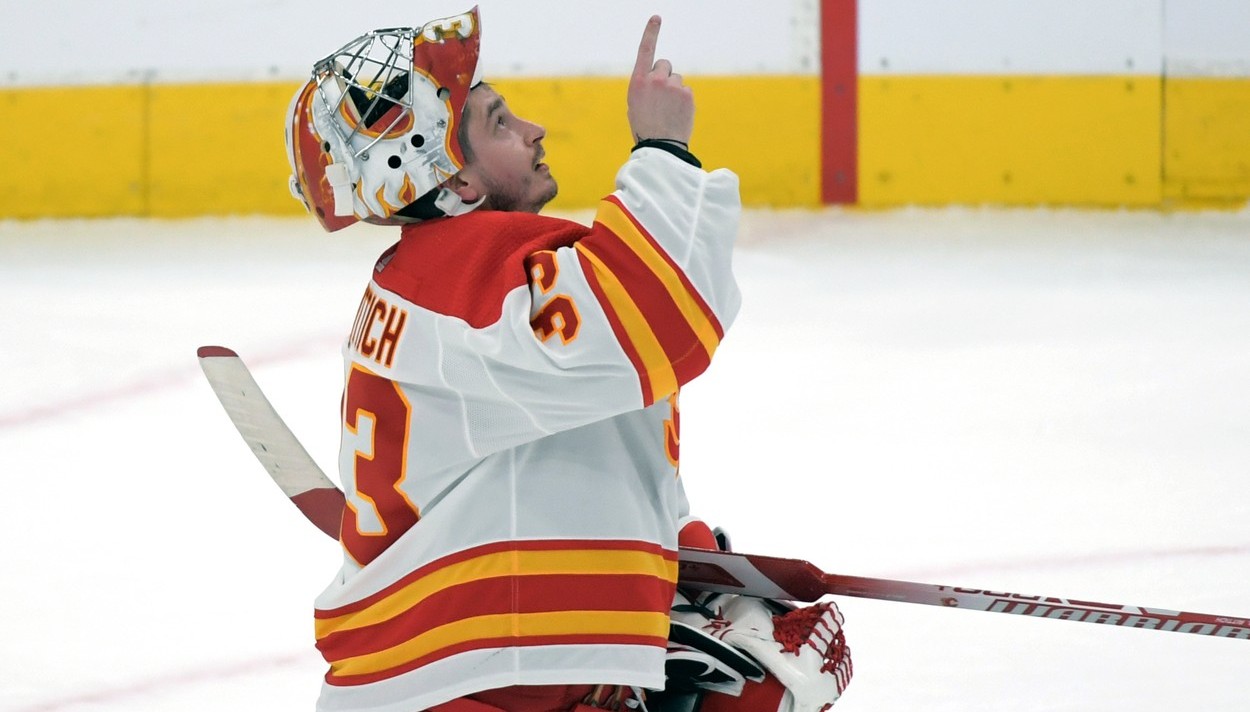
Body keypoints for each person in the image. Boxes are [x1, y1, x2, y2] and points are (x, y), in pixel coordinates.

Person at [285, 8, 851, 712]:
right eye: (498, 124)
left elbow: (596, 426)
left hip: (468, 682)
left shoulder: (443, 282)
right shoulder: (465, 279)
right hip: (469, 691)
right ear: (455, 184)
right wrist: (663, 149)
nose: (532, 131)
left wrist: (689, 559)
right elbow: (658, 316)